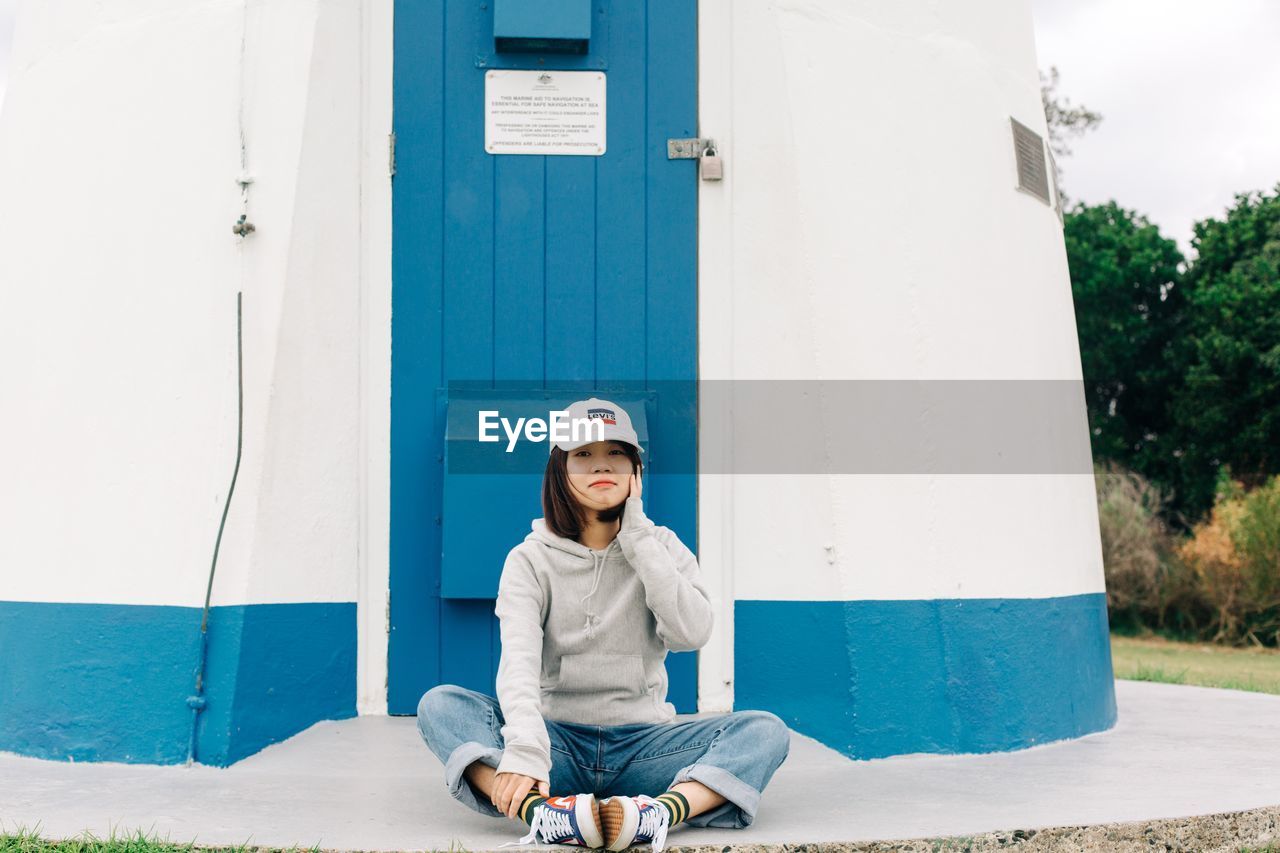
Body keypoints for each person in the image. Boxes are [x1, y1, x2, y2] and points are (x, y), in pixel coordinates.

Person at [417, 398, 791, 851]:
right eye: (584, 454)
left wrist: (638, 539)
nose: (602, 465)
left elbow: (692, 634)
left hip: (645, 746)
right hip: (557, 744)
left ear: (635, 470)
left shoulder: (663, 547)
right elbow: (518, 664)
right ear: (561, 469)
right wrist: (528, 750)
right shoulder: (529, 559)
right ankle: (548, 816)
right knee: (440, 705)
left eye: (616, 453)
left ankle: (656, 814)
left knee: (765, 730)